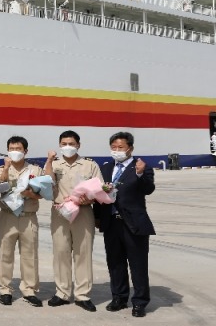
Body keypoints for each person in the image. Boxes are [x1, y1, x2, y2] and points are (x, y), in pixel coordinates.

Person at [95, 132, 155, 318]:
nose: (117, 150)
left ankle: (140, 302)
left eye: (120, 147)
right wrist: (97, 217)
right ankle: (119, 298)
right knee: (115, 263)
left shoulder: (141, 167)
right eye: (114, 147)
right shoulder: (105, 168)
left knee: (138, 265)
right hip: (111, 222)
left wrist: (139, 173)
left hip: (133, 223)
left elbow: (148, 189)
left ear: (130, 148)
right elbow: (98, 196)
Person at [44, 130, 102, 312]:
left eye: (71, 143)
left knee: (82, 253)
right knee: (60, 252)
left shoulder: (89, 165)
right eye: (64, 144)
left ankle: (82, 294)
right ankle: (62, 293)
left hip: (83, 213)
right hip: (60, 212)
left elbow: (100, 189)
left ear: (78, 145)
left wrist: (90, 199)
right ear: (59, 145)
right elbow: (46, 183)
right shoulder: (54, 164)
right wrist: (48, 161)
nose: (67, 147)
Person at [0, 136, 43, 307]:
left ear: (25, 151)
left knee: (30, 255)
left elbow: (43, 194)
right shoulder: (1, 168)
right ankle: (5, 289)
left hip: (28, 216)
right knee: (5, 254)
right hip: (8, 216)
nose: (15, 152)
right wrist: (7, 167)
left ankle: (29, 290)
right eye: (12, 149)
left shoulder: (35, 169)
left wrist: (29, 194)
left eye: (18, 149)